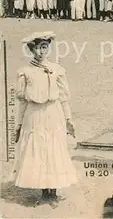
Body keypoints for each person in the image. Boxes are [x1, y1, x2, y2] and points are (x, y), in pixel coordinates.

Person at [12, 31, 77, 206]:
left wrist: (68, 120)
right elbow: (22, 102)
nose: (42, 52)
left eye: (45, 47)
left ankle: (53, 192)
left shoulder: (57, 70)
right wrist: (18, 125)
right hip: (34, 115)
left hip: (52, 113)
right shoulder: (25, 72)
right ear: (31, 49)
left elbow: (63, 98)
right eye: (38, 48)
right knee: (38, 149)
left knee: (53, 148)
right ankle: (43, 191)